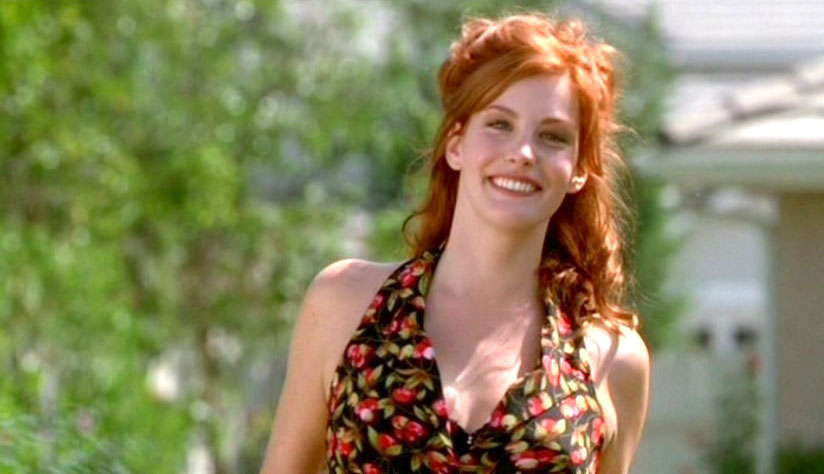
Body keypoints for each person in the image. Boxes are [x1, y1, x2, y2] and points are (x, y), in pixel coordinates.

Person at [261, 12, 650, 474]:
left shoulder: (612, 360)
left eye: (552, 136)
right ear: (456, 144)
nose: (523, 153)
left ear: (579, 170)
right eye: (500, 124)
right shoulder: (342, 303)